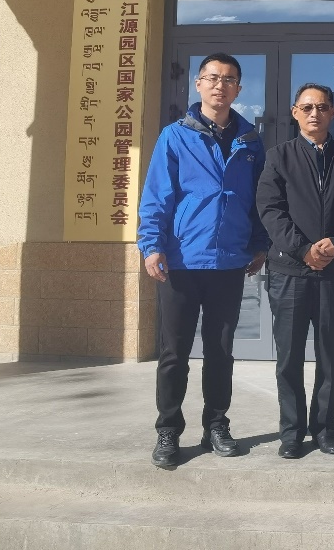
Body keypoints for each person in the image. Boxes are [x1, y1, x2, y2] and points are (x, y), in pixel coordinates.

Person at [137, 53, 268, 468]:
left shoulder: (250, 141)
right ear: (198, 84)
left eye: (228, 79)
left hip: (228, 262)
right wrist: (151, 245)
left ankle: (216, 425)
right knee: (174, 353)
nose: (220, 86)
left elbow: (259, 200)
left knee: (220, 351)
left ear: (238, 89)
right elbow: (157, 195)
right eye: (213, 78)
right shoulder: (175, 136)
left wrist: (259, 243)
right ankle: (168, 431)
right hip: (182, 260)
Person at [256, 83, 334, 459]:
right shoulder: (279, 157)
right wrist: (303, 249)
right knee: (289, 358)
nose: (314, 114)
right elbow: (270, 210)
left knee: (329, 355)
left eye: (321, 107)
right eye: (306, 107)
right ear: (294, 113)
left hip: (333, 274)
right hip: (289, 273)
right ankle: (291, 432)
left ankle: (325, 429)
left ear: (332, 113)